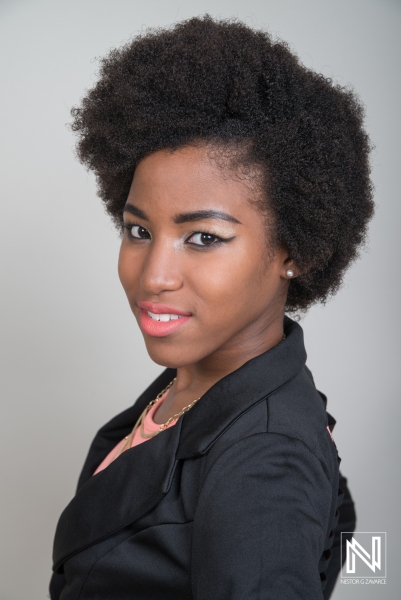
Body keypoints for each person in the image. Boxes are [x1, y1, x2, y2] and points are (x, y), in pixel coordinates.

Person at [50, 15, 373, 600]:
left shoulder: (265, 462)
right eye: (139, 231)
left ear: (292, 251)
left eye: (203, 237)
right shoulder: (195, 384)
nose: (155, 276)